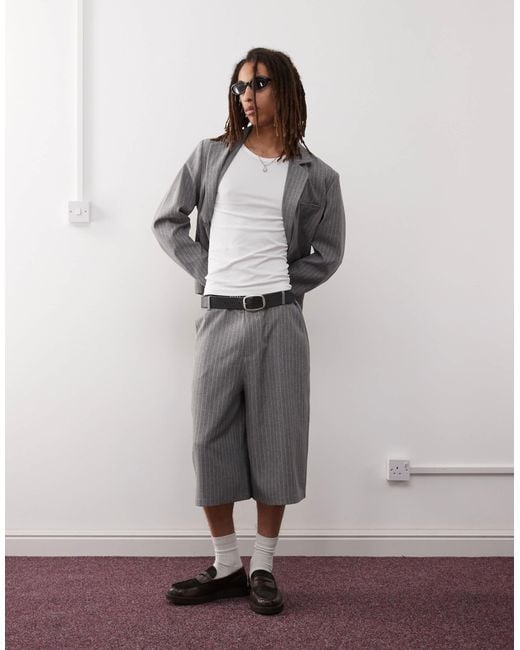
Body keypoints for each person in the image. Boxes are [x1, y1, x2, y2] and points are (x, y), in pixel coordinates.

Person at [152, 47, 346, 615]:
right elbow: (167, 220)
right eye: (240, 86)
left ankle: (261, 565)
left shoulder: (318, 176)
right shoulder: (212, 156)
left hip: (279, 322)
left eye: (259, 84)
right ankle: (225, 564)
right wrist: (206, 271)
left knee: (276, 439)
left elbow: (329, 252)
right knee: (209, 438)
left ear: (285, 89)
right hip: (218, 315)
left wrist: (285, 285)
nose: (247, 95)